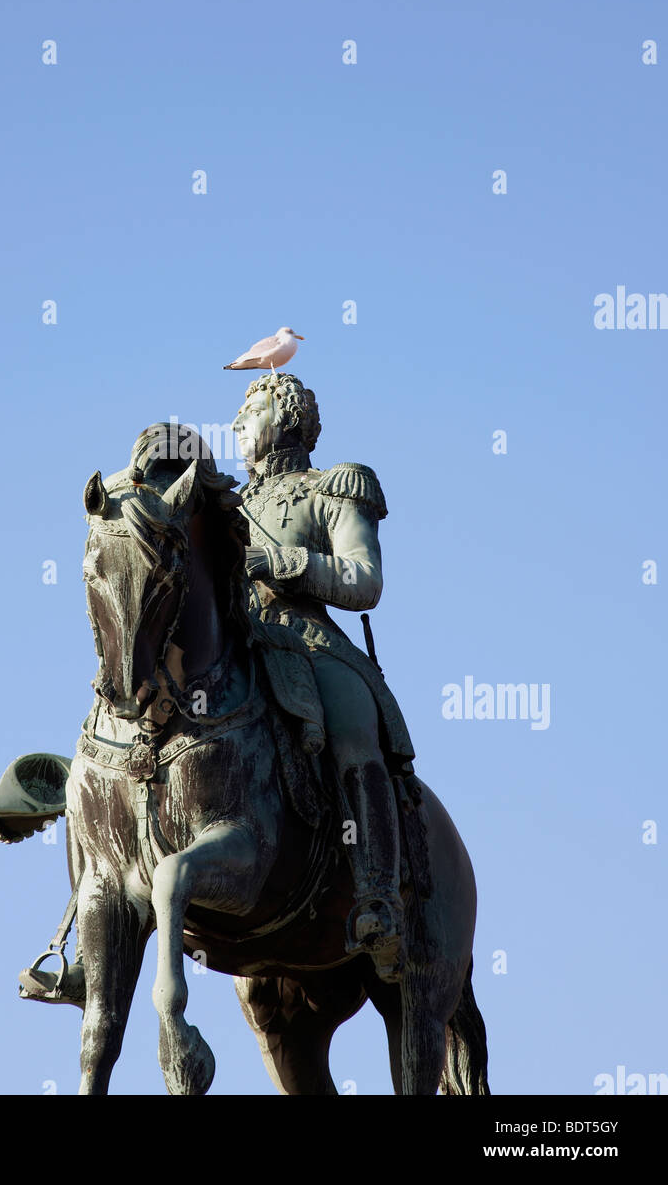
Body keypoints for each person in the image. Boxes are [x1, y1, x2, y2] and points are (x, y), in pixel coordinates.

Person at [232, 373, 415, 982]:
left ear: (284, 417)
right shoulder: (229, 504)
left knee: (352, 740)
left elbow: (364, 580)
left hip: (310, 645)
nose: (237, 425)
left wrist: (283, 561)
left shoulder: (333, 487)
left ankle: (379, 897)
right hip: (241, 645)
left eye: (250, 409)